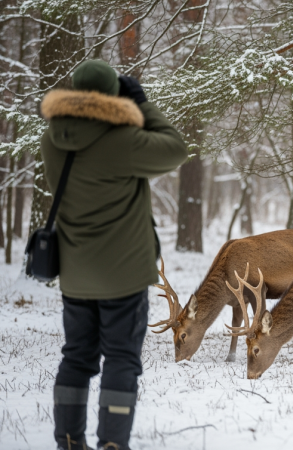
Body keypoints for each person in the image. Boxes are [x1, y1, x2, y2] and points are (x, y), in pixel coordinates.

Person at [40, 59, 188, 449]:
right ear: (114, 96)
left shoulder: (52, 138)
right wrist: (141, 103)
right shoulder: (124, 141)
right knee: (121, 360)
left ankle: (69, 441)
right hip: (123, 277)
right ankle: (112, 444)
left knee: (75, 358)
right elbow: (175, 148)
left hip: (76, 275)